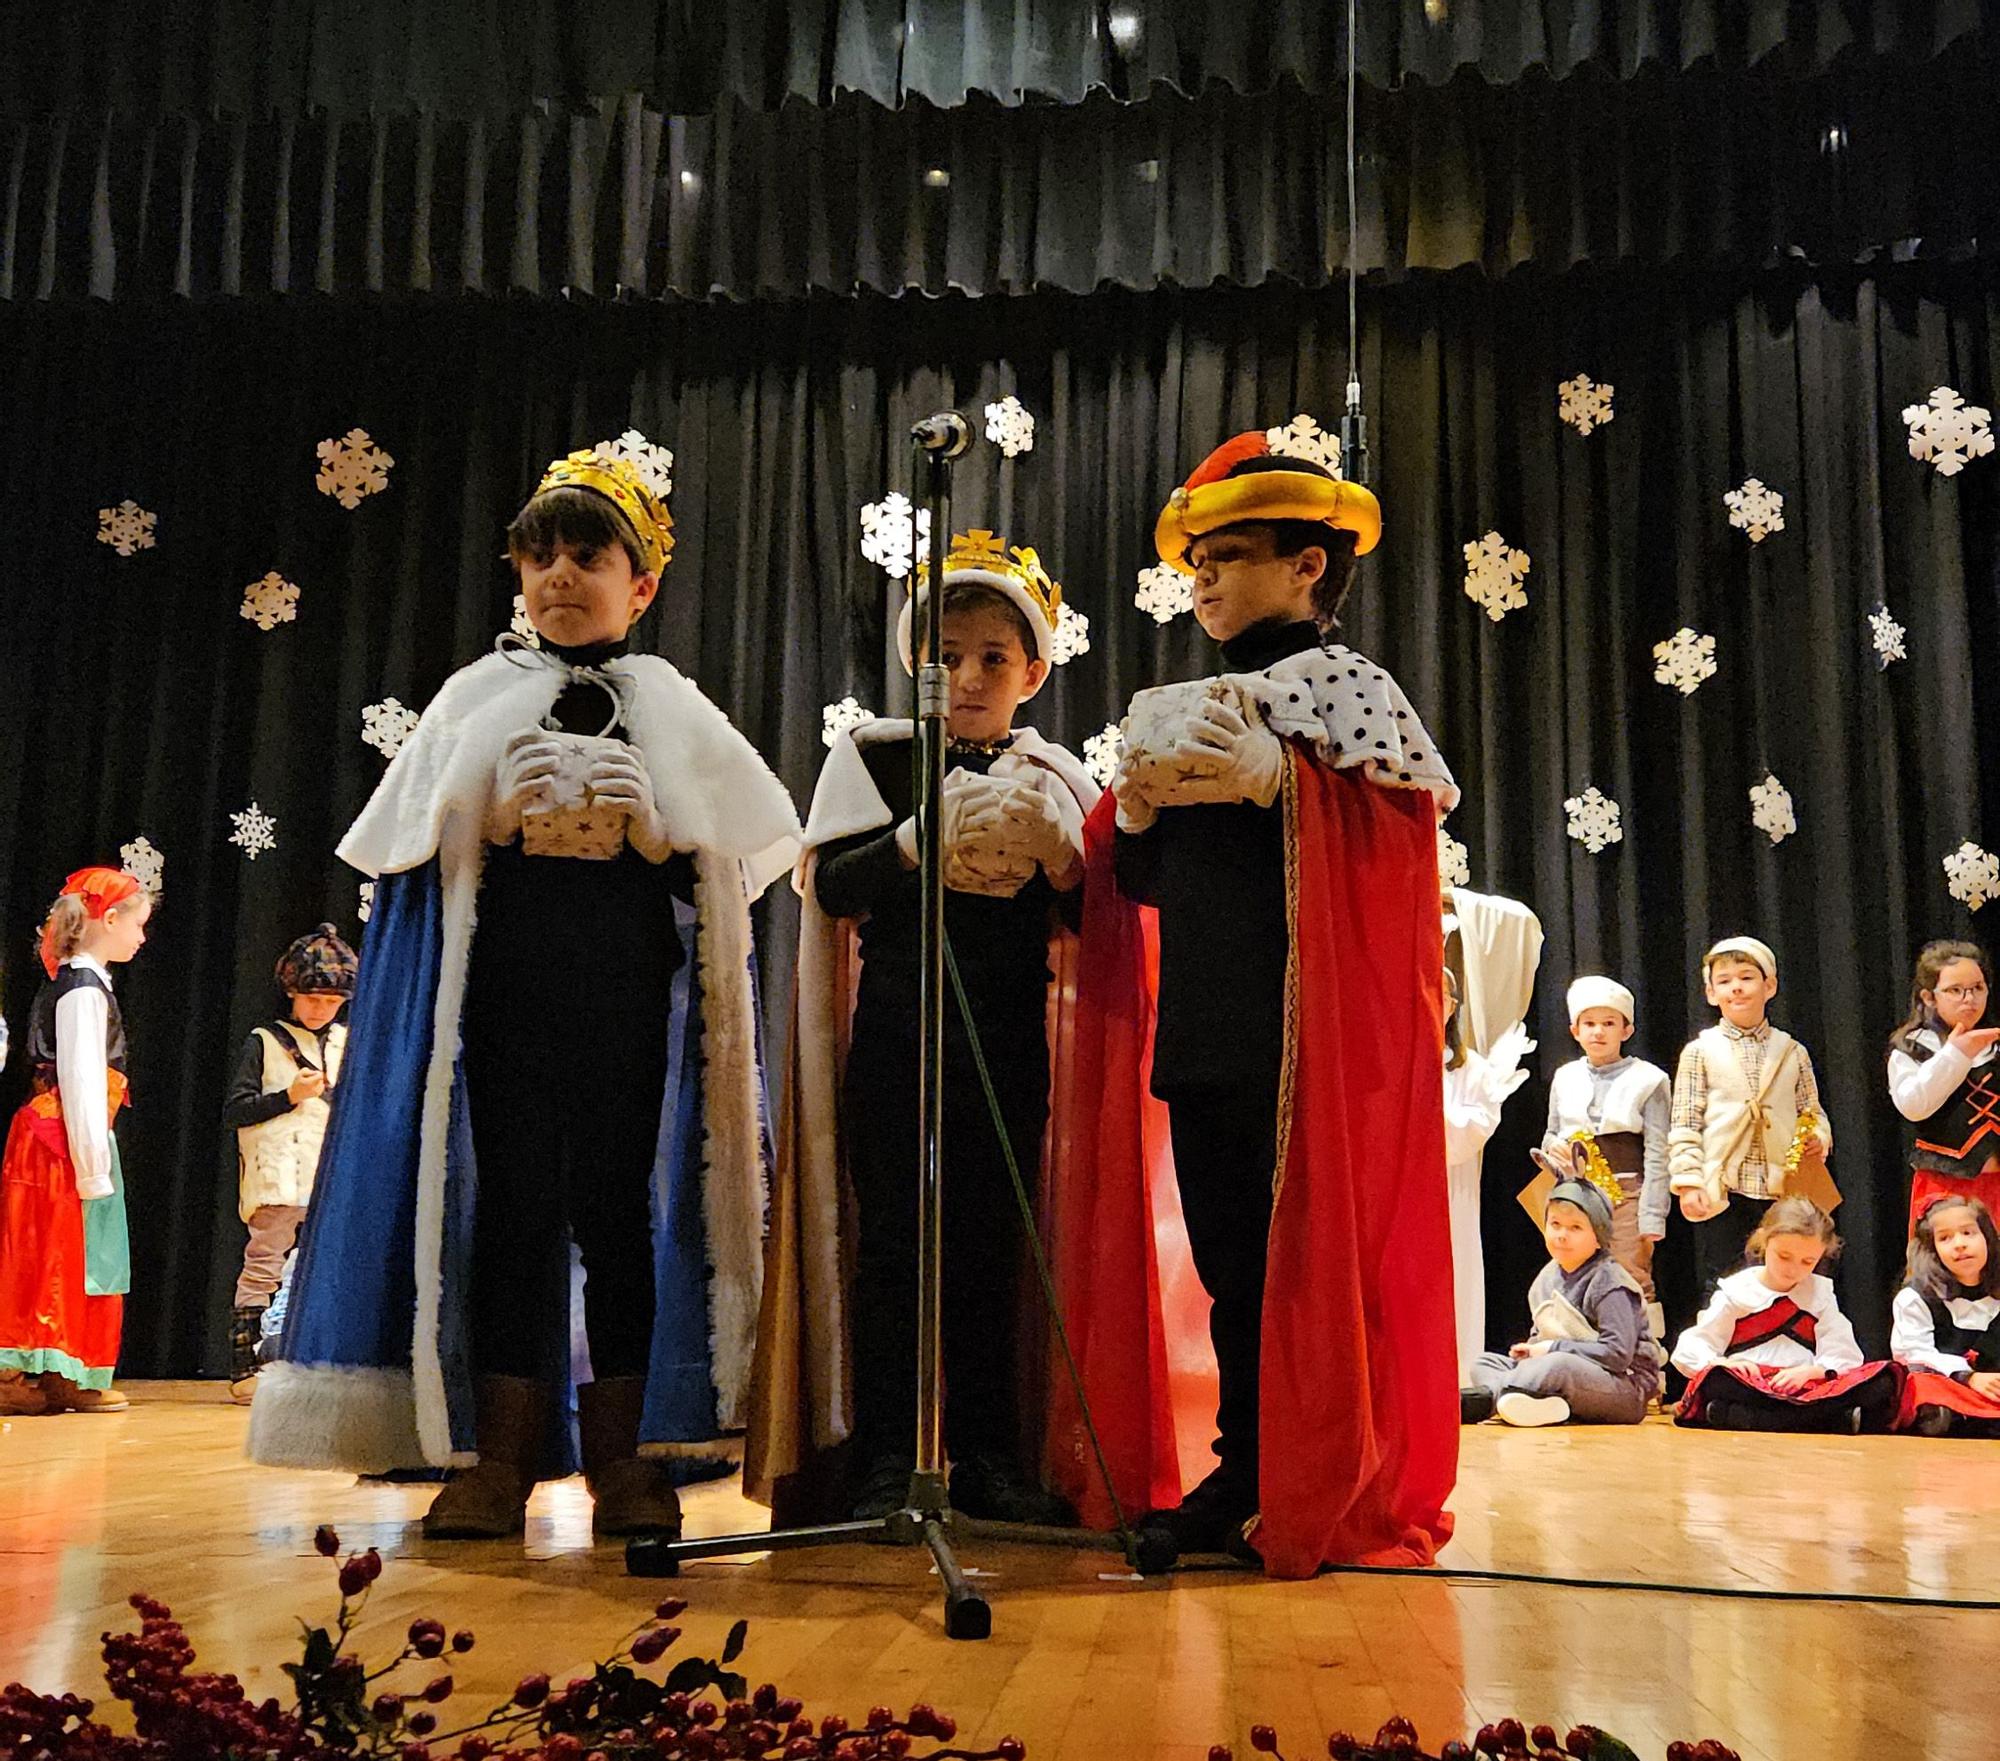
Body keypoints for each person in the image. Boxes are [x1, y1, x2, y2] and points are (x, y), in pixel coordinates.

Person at [249, 446, 801, 1543]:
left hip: (622, 997)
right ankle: (496, 1459)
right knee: (509, 1215)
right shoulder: (474, 697)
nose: (559, 575)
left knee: (616, 1216)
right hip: (502, 1002)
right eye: (538, 554)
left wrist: (655, 828)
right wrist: (489, 817)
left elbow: (746, 849)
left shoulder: (669, 702)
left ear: (639, 585)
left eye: (587, 555)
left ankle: (625, 1461)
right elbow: (412, 852)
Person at [1067, 430, 1461, 1578]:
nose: (1204, 577)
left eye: (1231, 554)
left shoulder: (1348, 696)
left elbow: (1390, 861)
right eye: (1198, 558)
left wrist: (1283, 783)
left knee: (1307, 1270)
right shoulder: (1188, 700)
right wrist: (1133, 815)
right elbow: (1138, 890)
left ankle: (1310, 1472)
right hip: (1206, 1030)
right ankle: (1244, 1472)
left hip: (1307, 1045)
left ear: (1306, 567)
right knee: (1233, 1270)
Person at [746, 531, 1092, 1527]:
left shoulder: (1054, 775)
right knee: (893, 1248)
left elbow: (1096, 928)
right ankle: (894, 1457)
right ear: (913, 663)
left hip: (1006, 1044)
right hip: (897, 1037)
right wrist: (908, 841)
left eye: (992, 657)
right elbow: (832, 888)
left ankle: (986, 1456)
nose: (966, 676)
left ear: (1031, 670)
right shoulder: (877, 758)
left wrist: (1066, 864)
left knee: (989, 1248)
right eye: (943, 656)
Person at [0, 868, 151, 1416]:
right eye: (137, 924)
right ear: (108, 920)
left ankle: (63, 1370)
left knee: (69, 1254)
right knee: (56, 1255)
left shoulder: (83, 984)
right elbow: (83, 1079)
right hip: (61, 1139)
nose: (141, 937)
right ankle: (30, 1372)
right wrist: (92, 1167)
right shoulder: (82, 991)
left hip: (68, 1136)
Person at [220, 923, 357, 1404]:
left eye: (331, 1001)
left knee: (327, 1268)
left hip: (329, 1175)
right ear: (292, 993)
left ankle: (312, 1364)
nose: (321, 1008)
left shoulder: (347, 1042)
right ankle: (245, 1368)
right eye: (312, 998)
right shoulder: (265, 1041)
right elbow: (236, 1110)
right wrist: (288, 1096)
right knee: (264, 1265)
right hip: (278, 1174)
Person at [1668, 937, 1833, 1298]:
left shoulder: (1791, 1051)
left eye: (1746, 977)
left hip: (1782, 1185)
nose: (1736, 988)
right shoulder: (1700, 1051)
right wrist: (1688, 1181)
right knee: (1727, 1279)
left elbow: (1812, 1110)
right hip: (1726, 1185)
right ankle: (1731, 1349)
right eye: (1724, 981)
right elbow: (1685, 1121)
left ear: (1769, 985)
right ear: (1711, 993)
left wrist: (1818, 1137)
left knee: (1790, 1272)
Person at [1670, 1198, 1898, 1432]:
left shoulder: (1820, 1295)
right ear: (1764, 1240)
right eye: (1784, 1256)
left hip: (1805, 1386)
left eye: (1807, 1261)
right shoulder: (1737, 1291)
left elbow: (1844, 1354)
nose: (1793, 1269)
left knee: (1882, 1382)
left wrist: (1812, 1372)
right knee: (1718, 1381)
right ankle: (1825, 1421)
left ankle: (1745, 1418)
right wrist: (1724, 1363)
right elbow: (1692, 1346)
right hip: (1751, 1386)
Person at [1539, 976, 1671, 1351]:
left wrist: (1652, 1216)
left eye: (1609, 1023)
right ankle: (1585, 1352)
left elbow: (1659, 1151)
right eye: (1589, 1024)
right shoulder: (1566, 1077)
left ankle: (1645, 1360)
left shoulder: (1649, 1079)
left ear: (1626, 1028)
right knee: (1576, 1270)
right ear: (1575, 1030)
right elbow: (1551, 1133)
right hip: (1577, 1192)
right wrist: (1556, 1151)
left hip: (1626, 1191)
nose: (1598, 1032)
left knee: (1631, 1275)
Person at [1461, 1176, 1657, 1428]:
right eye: (1555, 1224)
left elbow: (1617, 1355)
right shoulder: (1546, 1278)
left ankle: (1490, 1400)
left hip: (1625, 1387)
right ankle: (1539, 1404)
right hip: (1566, 1372)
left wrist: (1551, 1349)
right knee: (1485, 1362)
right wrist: (1531, 1351)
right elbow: (1540, 1336)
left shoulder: (1611, 1282)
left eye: (1575, 1228)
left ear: (1598, 1236)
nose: (1562, 1235)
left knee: (1558, 1365)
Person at [1442, 967, 1533, 1376]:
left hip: (1449, 1188)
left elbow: (1473, 1131)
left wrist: (1431, 1112)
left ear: (1453, 1006)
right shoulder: (1390, 1059)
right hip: (1395, 1192)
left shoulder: (1469, 1067)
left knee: (1453, 1275)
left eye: (1442, 994)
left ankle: (1458, 1377)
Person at [1885, 940, 2000, 1234]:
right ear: (1929, 997)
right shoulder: (1913, 1048)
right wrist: (1956, 1054)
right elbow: (1913, 1106)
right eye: (1955, 990)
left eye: (1977, 988)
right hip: (1945, 1188)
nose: (1969, 999)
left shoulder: (1996, 1045)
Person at [1890, 1194, 2000, 1437]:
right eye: (1945, 1238)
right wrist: (1968, 1377)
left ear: (1987, 1238)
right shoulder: (1917, 1298)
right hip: (1952, 1385)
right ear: (1932, 1250)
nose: (1959, 1244)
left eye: (1968, 1233)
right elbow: (1914, 1352)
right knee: (1921, 1385)